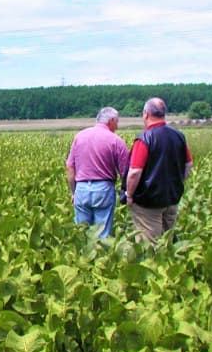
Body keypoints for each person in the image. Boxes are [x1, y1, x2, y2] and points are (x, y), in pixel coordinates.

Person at [125, 97, 193, 243]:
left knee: (150, 244)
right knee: (168, 242)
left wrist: (129, 195)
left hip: (148, 202)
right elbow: (188, 164)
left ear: (146, 114)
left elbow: (135, 172)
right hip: (172, 198)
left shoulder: (145, 138)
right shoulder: (179, 136)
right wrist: (178, 182)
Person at [65, 107, 129, 238]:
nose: (117, 126)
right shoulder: (116, 140)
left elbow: (70, 167)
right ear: (111, 121)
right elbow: (125, 172)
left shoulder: (79, 136)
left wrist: (73, 192)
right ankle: (101, 256)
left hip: (81, 189)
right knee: (102, 235)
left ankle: (82, 257)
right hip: (103, 189)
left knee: (81, 234)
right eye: (116, 122)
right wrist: (127, 192)